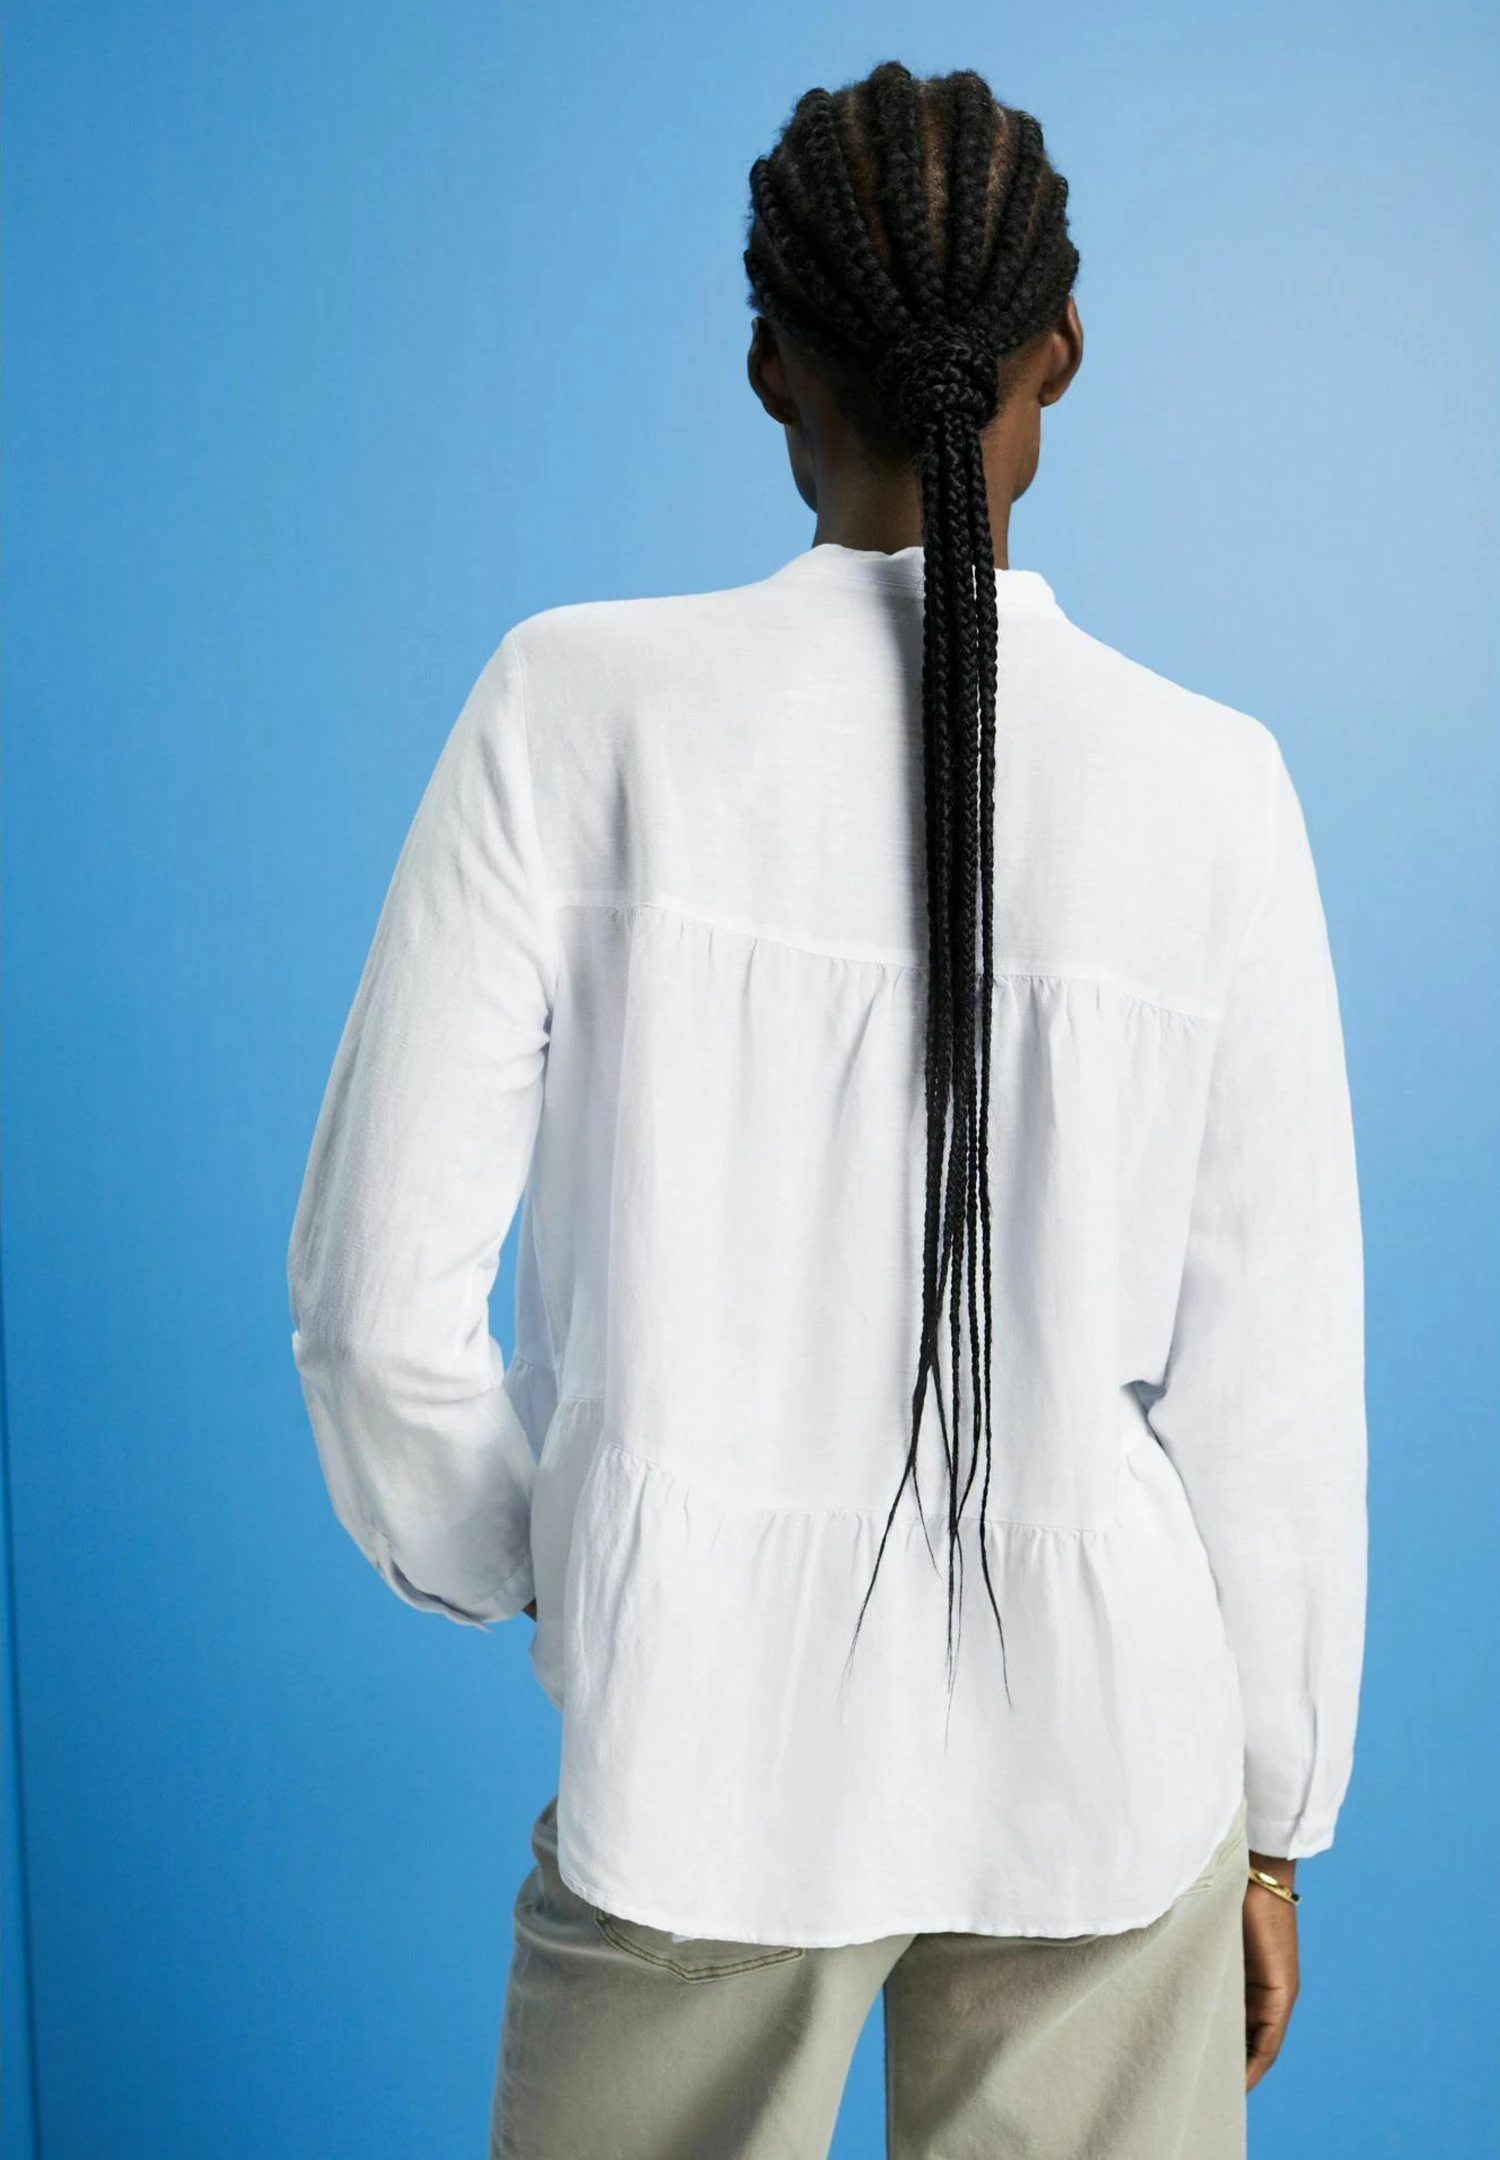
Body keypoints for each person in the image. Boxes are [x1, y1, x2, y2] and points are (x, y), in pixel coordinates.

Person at [286, 59, 1367, 2160]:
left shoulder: (574, 709)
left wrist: (561, 1558)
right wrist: (1271, 1822)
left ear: (771, 363)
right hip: (1112, 1766)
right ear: (1064, 348)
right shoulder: (1215, 789)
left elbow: (367, 1308)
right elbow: (1273, 1394)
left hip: (696, 1753)